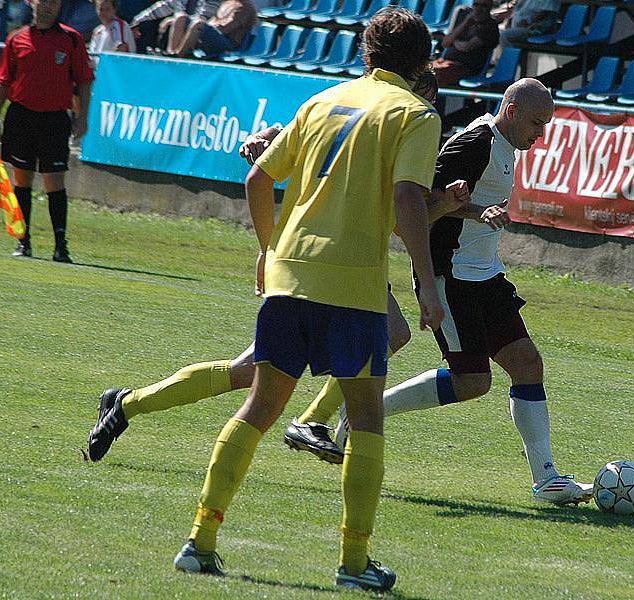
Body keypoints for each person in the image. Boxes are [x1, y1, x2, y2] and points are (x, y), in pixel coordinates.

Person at [88, 11, 460, 590]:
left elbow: (258, 177)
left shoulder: (323, 100)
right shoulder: (415, 114)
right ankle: (354, 564)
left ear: (366, 51)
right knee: (364, 417)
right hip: (353, 283)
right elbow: (407, 198)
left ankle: (199, 541)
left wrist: (268, 250)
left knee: (259, 406)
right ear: (422, 61)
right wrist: (427, 280)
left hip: (291, 273)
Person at [306, 79, 594, 506]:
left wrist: (478, 212)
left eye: (546, 124)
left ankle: (546, 478)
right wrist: (476, 212)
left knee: (528, 363)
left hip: (486, 277)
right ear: (511, 111)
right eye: (536, 122)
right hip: (451, 277)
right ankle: (368, 409)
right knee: (473, 381)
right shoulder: (474, 143)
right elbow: (418, 205)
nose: (541, 132)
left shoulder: (506, 146)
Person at [0, 0, 94, 262]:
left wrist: (82, 118)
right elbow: (2, 83)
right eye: (43, 1)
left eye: (53, 3)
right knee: (22, 179)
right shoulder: (16, 39)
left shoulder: (71, 39)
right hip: (22, 115)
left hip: (55, 119)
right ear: (33, 4)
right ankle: (23, 242)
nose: (47, 7)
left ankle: (61, 246)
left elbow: (83, 81)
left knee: (54, 179)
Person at [432, 0, 500, 87]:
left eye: (484, 6)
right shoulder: (465, 20)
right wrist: (465, 23)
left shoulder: (490, 26)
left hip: (466, 68)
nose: (479, 9)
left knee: (433, 75)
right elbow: (445, 43)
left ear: (490, 8)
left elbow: (466, 47)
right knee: (420, 69)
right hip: (446, 63)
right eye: (476, 5)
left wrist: (454, 41)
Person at [167, 0, 256, 57]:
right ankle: (171, 52)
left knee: (198, 24)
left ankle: (180, 55)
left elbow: (226, 28)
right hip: (214, 33)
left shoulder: (245, 8)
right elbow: (211, 21)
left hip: (228, 43)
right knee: (180, 17)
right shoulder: (226, 3)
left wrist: (204, 28)